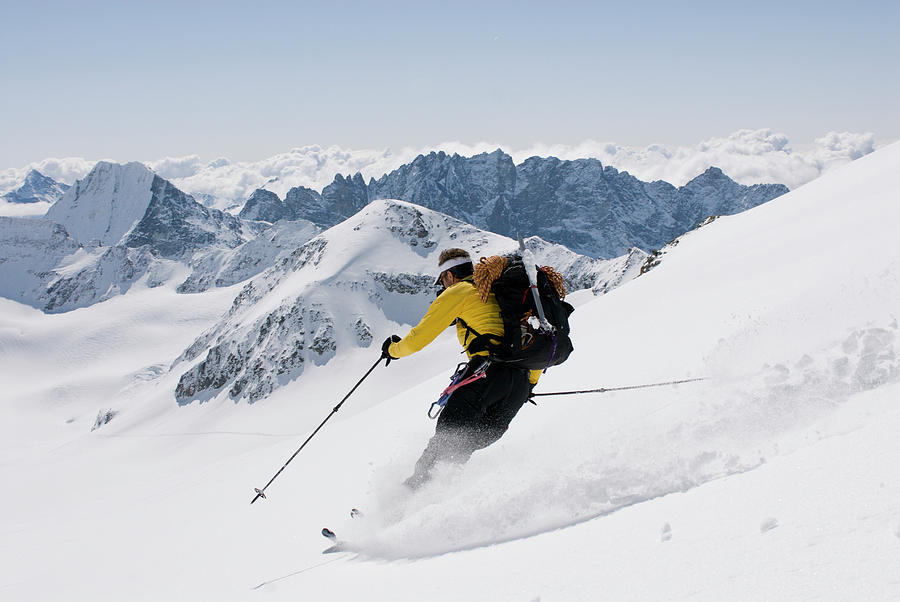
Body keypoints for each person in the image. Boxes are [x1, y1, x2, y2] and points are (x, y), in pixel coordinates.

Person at [381, 248, 541, 489]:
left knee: (444, 446)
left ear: (449, 276)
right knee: (456, 454)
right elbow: (531, 344)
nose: (443, 286)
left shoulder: (460, 291)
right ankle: (432, 508)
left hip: (485, 374)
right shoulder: (500, 292)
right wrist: (528, 385)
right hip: (518, 385)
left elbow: (417, 340)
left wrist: (392, 350)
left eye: (442, 281)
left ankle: (396, 511)